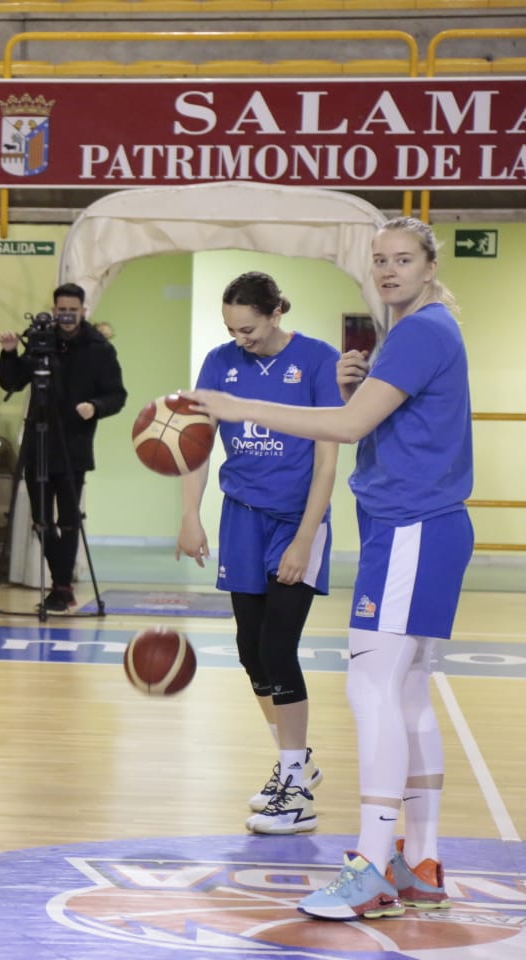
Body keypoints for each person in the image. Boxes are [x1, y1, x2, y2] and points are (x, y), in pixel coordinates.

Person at [185, 217, 472, 921]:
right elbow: (374, 420)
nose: (388, 270)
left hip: (410, 527)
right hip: (417, 527)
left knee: (373, 692)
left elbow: (342, 431)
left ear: (430, 265)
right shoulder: (418, 334)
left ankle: (373, 867)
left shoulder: (422, 330)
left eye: (403, 259)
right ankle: (421, 863)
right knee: (405, 696)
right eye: (379, 260)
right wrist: (360, 386)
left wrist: (231, 404)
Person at [177, 271, 341, 836]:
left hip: (297, 520)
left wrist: (305, 535)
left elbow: (327, 459)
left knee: (278, 645)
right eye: (231, 329)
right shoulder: (220, 362)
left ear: (274, 315)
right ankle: (298, 762)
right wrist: (190, 515)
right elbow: (196, 446)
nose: (239, 338)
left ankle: (296, 790)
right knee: (251, 649)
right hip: (241, 517)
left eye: (247, 327)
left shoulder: (318, 361)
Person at [0, 282, 126, 612]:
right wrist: (10, 352)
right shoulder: (41, 341)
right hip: (39, 443)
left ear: (83, 311)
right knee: (41, 520)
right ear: (54, 310)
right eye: (61, 309)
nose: (67, 315)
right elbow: (12, 382)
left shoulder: (99, 348)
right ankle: (61, 582)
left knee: (69, 519)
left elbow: (117, 395)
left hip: (75, 445)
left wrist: (95, 406)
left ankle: (61, 586)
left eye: (73, 309)